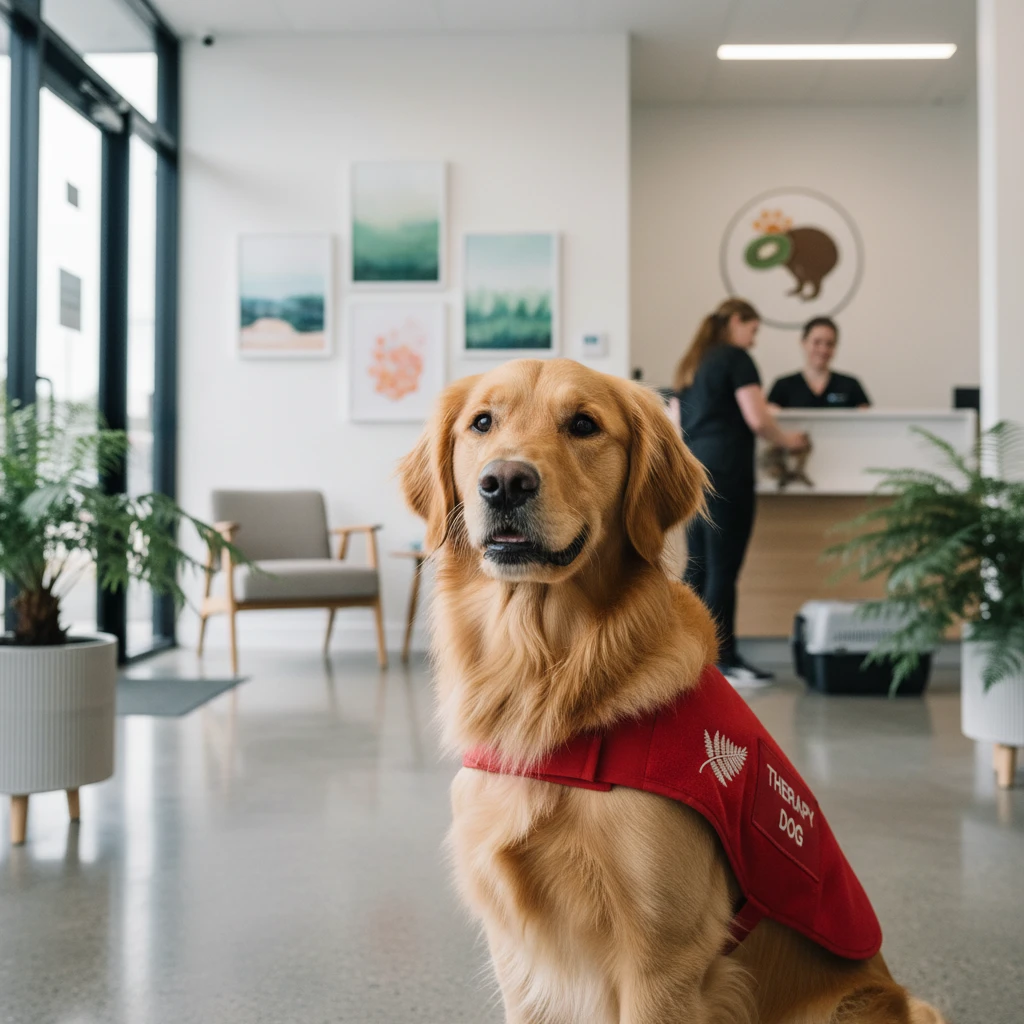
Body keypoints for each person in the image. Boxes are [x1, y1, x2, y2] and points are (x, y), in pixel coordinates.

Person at [674, 297, 808, 684]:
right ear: (736, 321)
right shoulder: (735, 358)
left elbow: (679, 422)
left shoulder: (692, 364)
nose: (754, 338)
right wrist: (787, 440)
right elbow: (756, 416)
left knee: (696, 566)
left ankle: (685, 654)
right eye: (753, 329)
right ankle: (723, 660)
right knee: (723, 569)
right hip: (728, 470)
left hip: (695, 470)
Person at [767, 317, 870, 409]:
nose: (823, 349)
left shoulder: (851, 385)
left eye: (829, 344)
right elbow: (769, 423)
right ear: (803, 342)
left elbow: (867, 424)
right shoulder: (782, 386)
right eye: (817, 342)